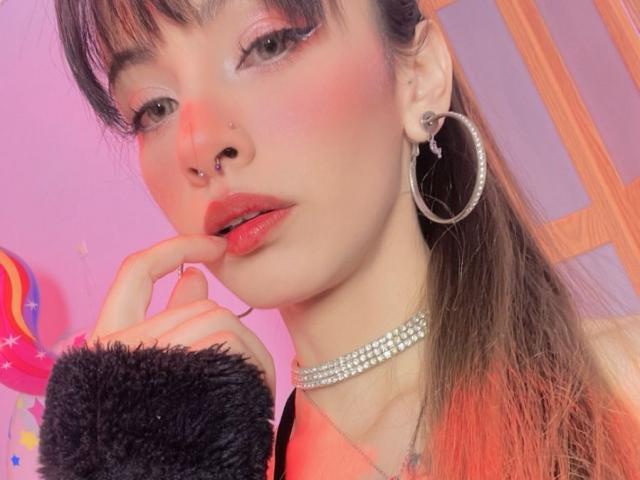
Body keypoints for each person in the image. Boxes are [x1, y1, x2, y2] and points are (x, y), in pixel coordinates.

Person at [24, 0, 640, 478]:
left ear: (418, 76)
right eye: (154, 107)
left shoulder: (622, 380)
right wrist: (115, 453)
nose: (199, 143)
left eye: (266, 44)